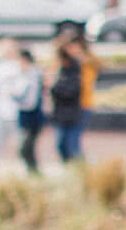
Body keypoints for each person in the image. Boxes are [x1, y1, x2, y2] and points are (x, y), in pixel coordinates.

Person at [48, 29, 96, 164]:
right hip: (63, 108)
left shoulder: (83, 63)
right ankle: (71, 169)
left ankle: (81, 170)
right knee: (62, 144)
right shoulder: (61, 64)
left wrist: (82, 59)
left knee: (73, 144)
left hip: (81, 105)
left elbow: (86, 81)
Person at [0, 37, 26, 163]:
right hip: (0, 110)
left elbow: (22, 88)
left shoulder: (20, 66)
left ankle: (24, 167)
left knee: (20, 143)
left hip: (17, 112)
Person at [11, 46, 46, 174]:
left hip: (33, 116)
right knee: (26, 148)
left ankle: (34, 172)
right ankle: (32, 171)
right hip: (26, 116)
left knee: (25, 148)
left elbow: (30, 100)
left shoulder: (33, 75)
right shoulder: (23, 74)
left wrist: (15, 95)